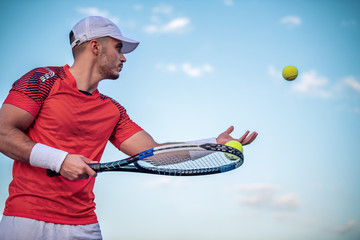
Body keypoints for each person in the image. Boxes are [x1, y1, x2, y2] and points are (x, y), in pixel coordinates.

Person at [0, 16, 258, 239]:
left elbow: (154, 154)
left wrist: (213, 142)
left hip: (83, 225)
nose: (123, 57)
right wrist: (59, 160)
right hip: (26, 220)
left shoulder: (113, 110)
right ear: (95, 46)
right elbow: (3, 133)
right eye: (118, 47)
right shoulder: (42, 80)